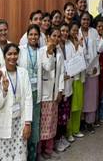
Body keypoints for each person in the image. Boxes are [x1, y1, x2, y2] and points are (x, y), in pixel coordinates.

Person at [0, 44, 33, 161]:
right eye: (9, 54)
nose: (12, 57)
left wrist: (27, 123)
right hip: (3, 123)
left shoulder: (23, 73)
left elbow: (28, 98)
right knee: (3, 156)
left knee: (19, 155)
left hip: (19, 123)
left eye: (15, 54)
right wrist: (3, 90)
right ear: (4, 56)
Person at [17, 25, 47, 161]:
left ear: (39, 37)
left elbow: (48, 67)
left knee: (34, 125)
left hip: (36, 93)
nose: (33, 37)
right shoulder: (20, 50)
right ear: (27, 36)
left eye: (36, 35)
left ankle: (33, 156)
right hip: (23, 94)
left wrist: (49, 53)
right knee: (23, 124)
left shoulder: (42, 51)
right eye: (31, 34)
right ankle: (21, 156)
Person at [38, 27, 63, 160]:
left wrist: (60, 90)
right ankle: (39, 151)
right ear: (48, 37)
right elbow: (48, 67)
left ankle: (49, 149)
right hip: (44, 94)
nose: (56, 39)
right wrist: (49, 52)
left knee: (52, 123)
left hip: (54, 94)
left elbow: (61, 72)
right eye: (54, 36)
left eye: (58, 36)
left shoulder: (59, 51)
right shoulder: (42, 51)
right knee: (42, 125)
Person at [81, 12, 103, 134]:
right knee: (81, 97)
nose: (86, 21)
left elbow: (99, 49)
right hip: (80, 71)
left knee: (91, 97)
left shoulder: (94, 32)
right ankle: (81, 121)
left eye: (87, 20)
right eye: (83, 19)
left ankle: (89, 122)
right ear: (80, 20)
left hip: (93, 69)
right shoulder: (76, 32)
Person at [54, 24, 73, 152]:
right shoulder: (55, 48)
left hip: (68, 84)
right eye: (62, 31)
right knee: (59, 116)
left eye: (67, 31)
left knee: (65, 115)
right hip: (59, 87)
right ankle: (57, 141)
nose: (65, 33)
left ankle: (61, 137)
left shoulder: (67, 45)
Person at [66, 22, 86, 141]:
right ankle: (69, 132)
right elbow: (70, 60)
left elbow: (83, 57)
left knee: (78, 105)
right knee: (70, 107)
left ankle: (76, 129)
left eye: (76, 30)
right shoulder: (67, 44)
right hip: (71, 79)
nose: (74, 32)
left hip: (79, 78)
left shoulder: (79, 41)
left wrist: (80, 45)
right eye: (72, 30)